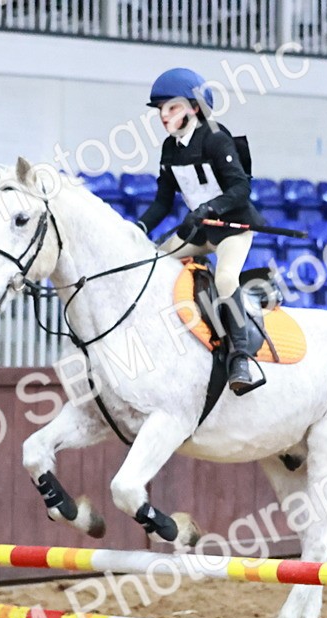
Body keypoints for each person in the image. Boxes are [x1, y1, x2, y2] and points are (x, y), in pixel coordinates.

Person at [134, 67, 267, 395]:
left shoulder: (216, 137)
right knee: (151, 263)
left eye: (172, 107)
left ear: (194, 108)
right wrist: (139, 228)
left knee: (224, 279)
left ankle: (240, 357)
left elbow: (240, 189)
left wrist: (209, 209)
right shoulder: (169, 149)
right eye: (161, 110)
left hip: (231, 229)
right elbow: (163, 202)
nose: (164, 116)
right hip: (198, 230)